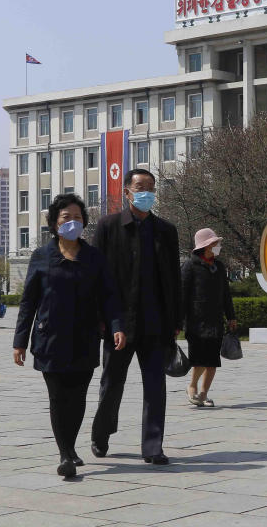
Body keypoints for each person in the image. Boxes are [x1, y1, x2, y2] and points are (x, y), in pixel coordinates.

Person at [13, 194, 126, 479]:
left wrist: (117, 326)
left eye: (78, 217)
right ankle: (65, 454)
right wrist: (19, 341)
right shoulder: (41, 257)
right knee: (57, 397)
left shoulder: (94, 258)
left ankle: (71, 447)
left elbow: (109, 297)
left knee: (77, 398)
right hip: (49, 339)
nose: (72, 222)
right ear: (53, 223)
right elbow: (29, 302)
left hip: (84, 337)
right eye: (66, 218)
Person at [90, 169, 181, 465]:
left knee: (156, 386)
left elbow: (174, 279)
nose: (146, 193)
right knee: (111, 384)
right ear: (126, 191)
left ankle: (153, 446)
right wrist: (101, 318)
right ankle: (101, 433)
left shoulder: (166, 231)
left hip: (155, 323)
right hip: (119, 324)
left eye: (151, 188)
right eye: (140, 187)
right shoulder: (108, 227)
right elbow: (97, 278)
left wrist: (176, 320)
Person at [181, 228, 237, 408]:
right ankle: (192, 386)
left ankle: (204, 393)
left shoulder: (219, 267)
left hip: (215, 321)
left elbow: (226, 295)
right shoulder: (190, 266)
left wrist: (231, 316)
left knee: (212, 361)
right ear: (205, 246)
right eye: (214, 244)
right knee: (198, 359)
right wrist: (177, 322)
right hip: (196, 322)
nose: (217, 246)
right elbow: (181, 296)